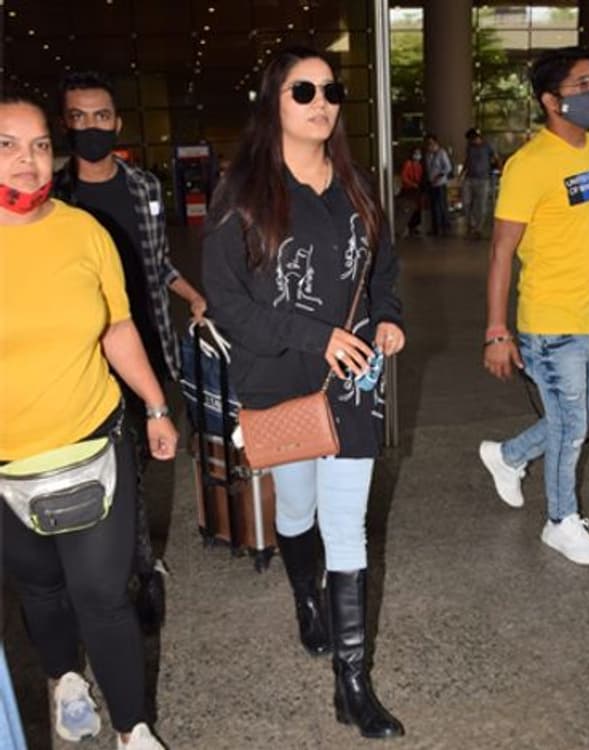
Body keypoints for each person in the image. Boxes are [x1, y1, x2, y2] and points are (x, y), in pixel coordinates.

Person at [202, 47, 406, 740]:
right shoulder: (242, 195)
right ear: (274, 101)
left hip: (352, 379)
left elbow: (383, 269)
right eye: (303, 91)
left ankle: (352, 684)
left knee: (346, 526)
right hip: (279, 376)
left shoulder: (356, 186)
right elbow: (228, 303)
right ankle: (304, 600)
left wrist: (389, 318)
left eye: (331, 91)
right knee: (297, 509)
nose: (322, 103)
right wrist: (312, 336)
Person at [0, 96, 177, 749]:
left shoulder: (84, 232)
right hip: (6, 463)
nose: (27, 159)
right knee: (41, 588)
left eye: (40, 144)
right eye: (7, 144)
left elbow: (117, 327)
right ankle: (65, 679)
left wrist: (155, 405)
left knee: (102, 594)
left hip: (92, 441)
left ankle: (133, 729)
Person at [53, 70, 206, 632]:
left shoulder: (144, 188)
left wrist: (193, 296)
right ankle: (121, 565)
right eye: (79, 117)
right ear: (65, 124)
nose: (91, 127)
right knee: (102, 466)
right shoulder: (55, 195)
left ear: (117, 122)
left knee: (137, 463)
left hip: (146, 346)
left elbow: (157, 262)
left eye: (101, 116)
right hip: (83, 356)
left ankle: (139, 565)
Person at [480, 46, 589, 566]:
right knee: (570, 427)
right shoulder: (529, 165)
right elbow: (501, 251)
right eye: (582, 85)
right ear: (551, 101)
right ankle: (560, 521)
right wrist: (497, 330)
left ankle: (508, 456)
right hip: (551, 324)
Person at [460, 127, 498, 239]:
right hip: (469, 178)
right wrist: (462, 173)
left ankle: (478, 228)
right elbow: (467, 160)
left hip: (483, 179)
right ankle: (471, 223)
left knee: (481, 206)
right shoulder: (469, 147)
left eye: (472, 139)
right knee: (466, 203)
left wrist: (496, 168)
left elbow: (495, 158)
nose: (471, 141)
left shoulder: (487, 146)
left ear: (477, 137)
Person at [423, 133, 452, 237]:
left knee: (441, 205)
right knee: (433, 207)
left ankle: (443, 226)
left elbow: (448, 168)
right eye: (428, 144)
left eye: (431, 143)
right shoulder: (427, 154)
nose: (429, 146)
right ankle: (435, 227)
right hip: (431, 184)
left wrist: (438, 177)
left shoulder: (441, 153)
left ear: (435, 143)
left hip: (440, 184)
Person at [398, 145, 425, 237]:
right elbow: (404, 177)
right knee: (409, 208)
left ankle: (415, 226)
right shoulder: (408, 164)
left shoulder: (419, 165)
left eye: (419, 153)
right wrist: (412, 184)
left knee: (417, 209)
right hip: (409, 189)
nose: (417, 155)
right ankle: (408, 226)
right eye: (416, 153)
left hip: (417, 189)